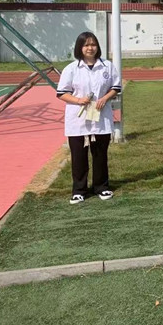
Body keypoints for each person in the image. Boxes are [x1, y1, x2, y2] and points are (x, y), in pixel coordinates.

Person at [56, 32, 121, 204]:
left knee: (100, 155)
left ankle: (101, 187)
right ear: (80, 48)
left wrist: (105, 98)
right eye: (86, 45)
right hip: (78, 119)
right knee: (79, 156)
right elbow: (61, 93)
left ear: (97, 47)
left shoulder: (107, 66)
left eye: (93, 44)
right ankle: (79, 190)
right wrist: (79, 100)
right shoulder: (71, 69)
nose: (90, 48)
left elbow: (116, 87)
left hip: (100, 117)